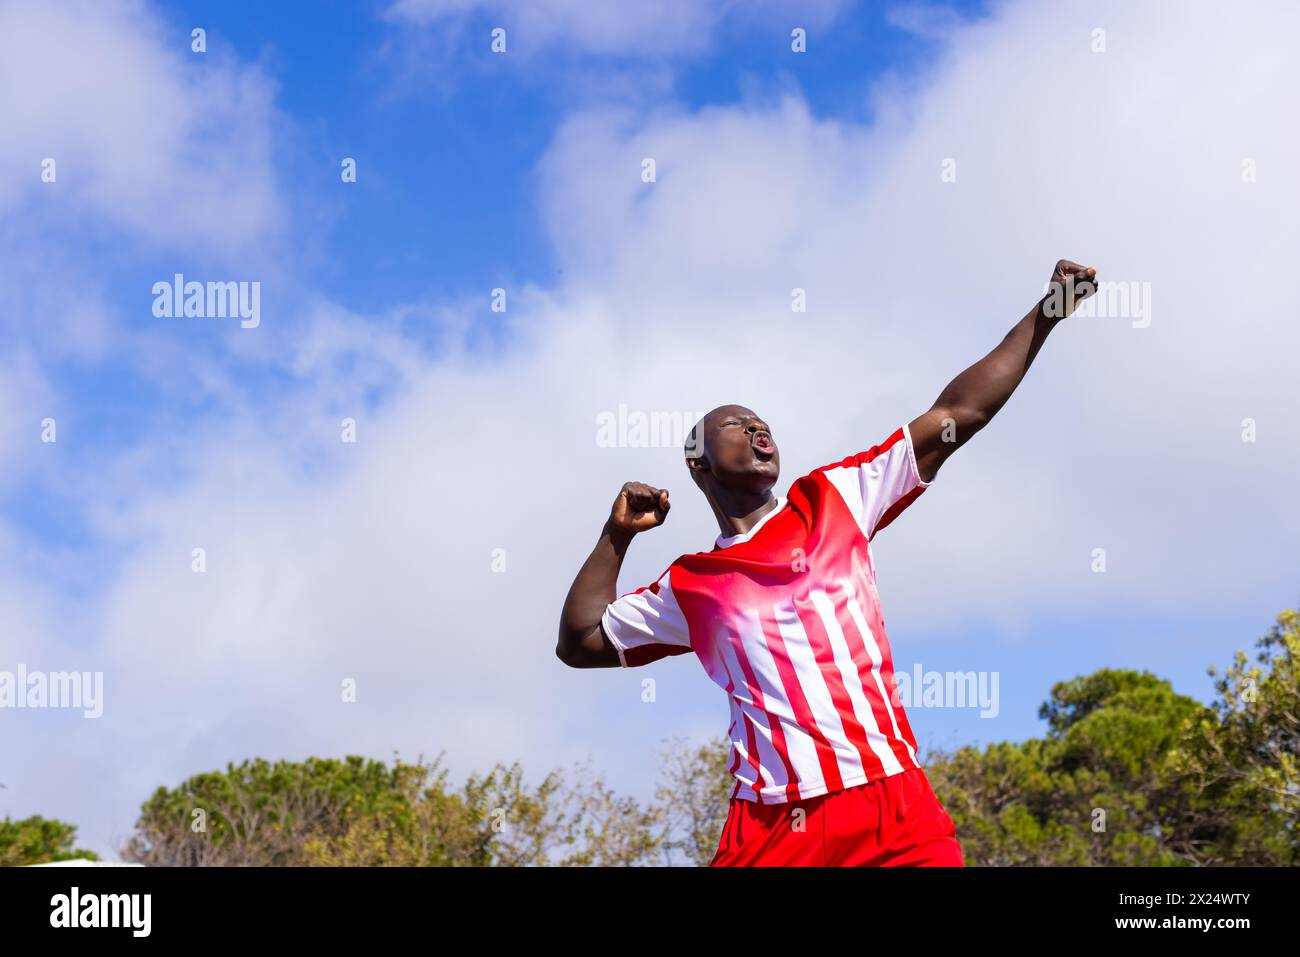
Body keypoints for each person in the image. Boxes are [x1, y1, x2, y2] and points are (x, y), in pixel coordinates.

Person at [557, 260, 1098, 866]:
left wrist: (1048, 312)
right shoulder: (690, 585)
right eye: (736, 425)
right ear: (699, 466)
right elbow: (580, 639)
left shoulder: (835, 498)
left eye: (763, 422)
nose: (758, 429)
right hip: (771, 831)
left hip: (892, 808)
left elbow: (958, 413)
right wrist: (616, 536)